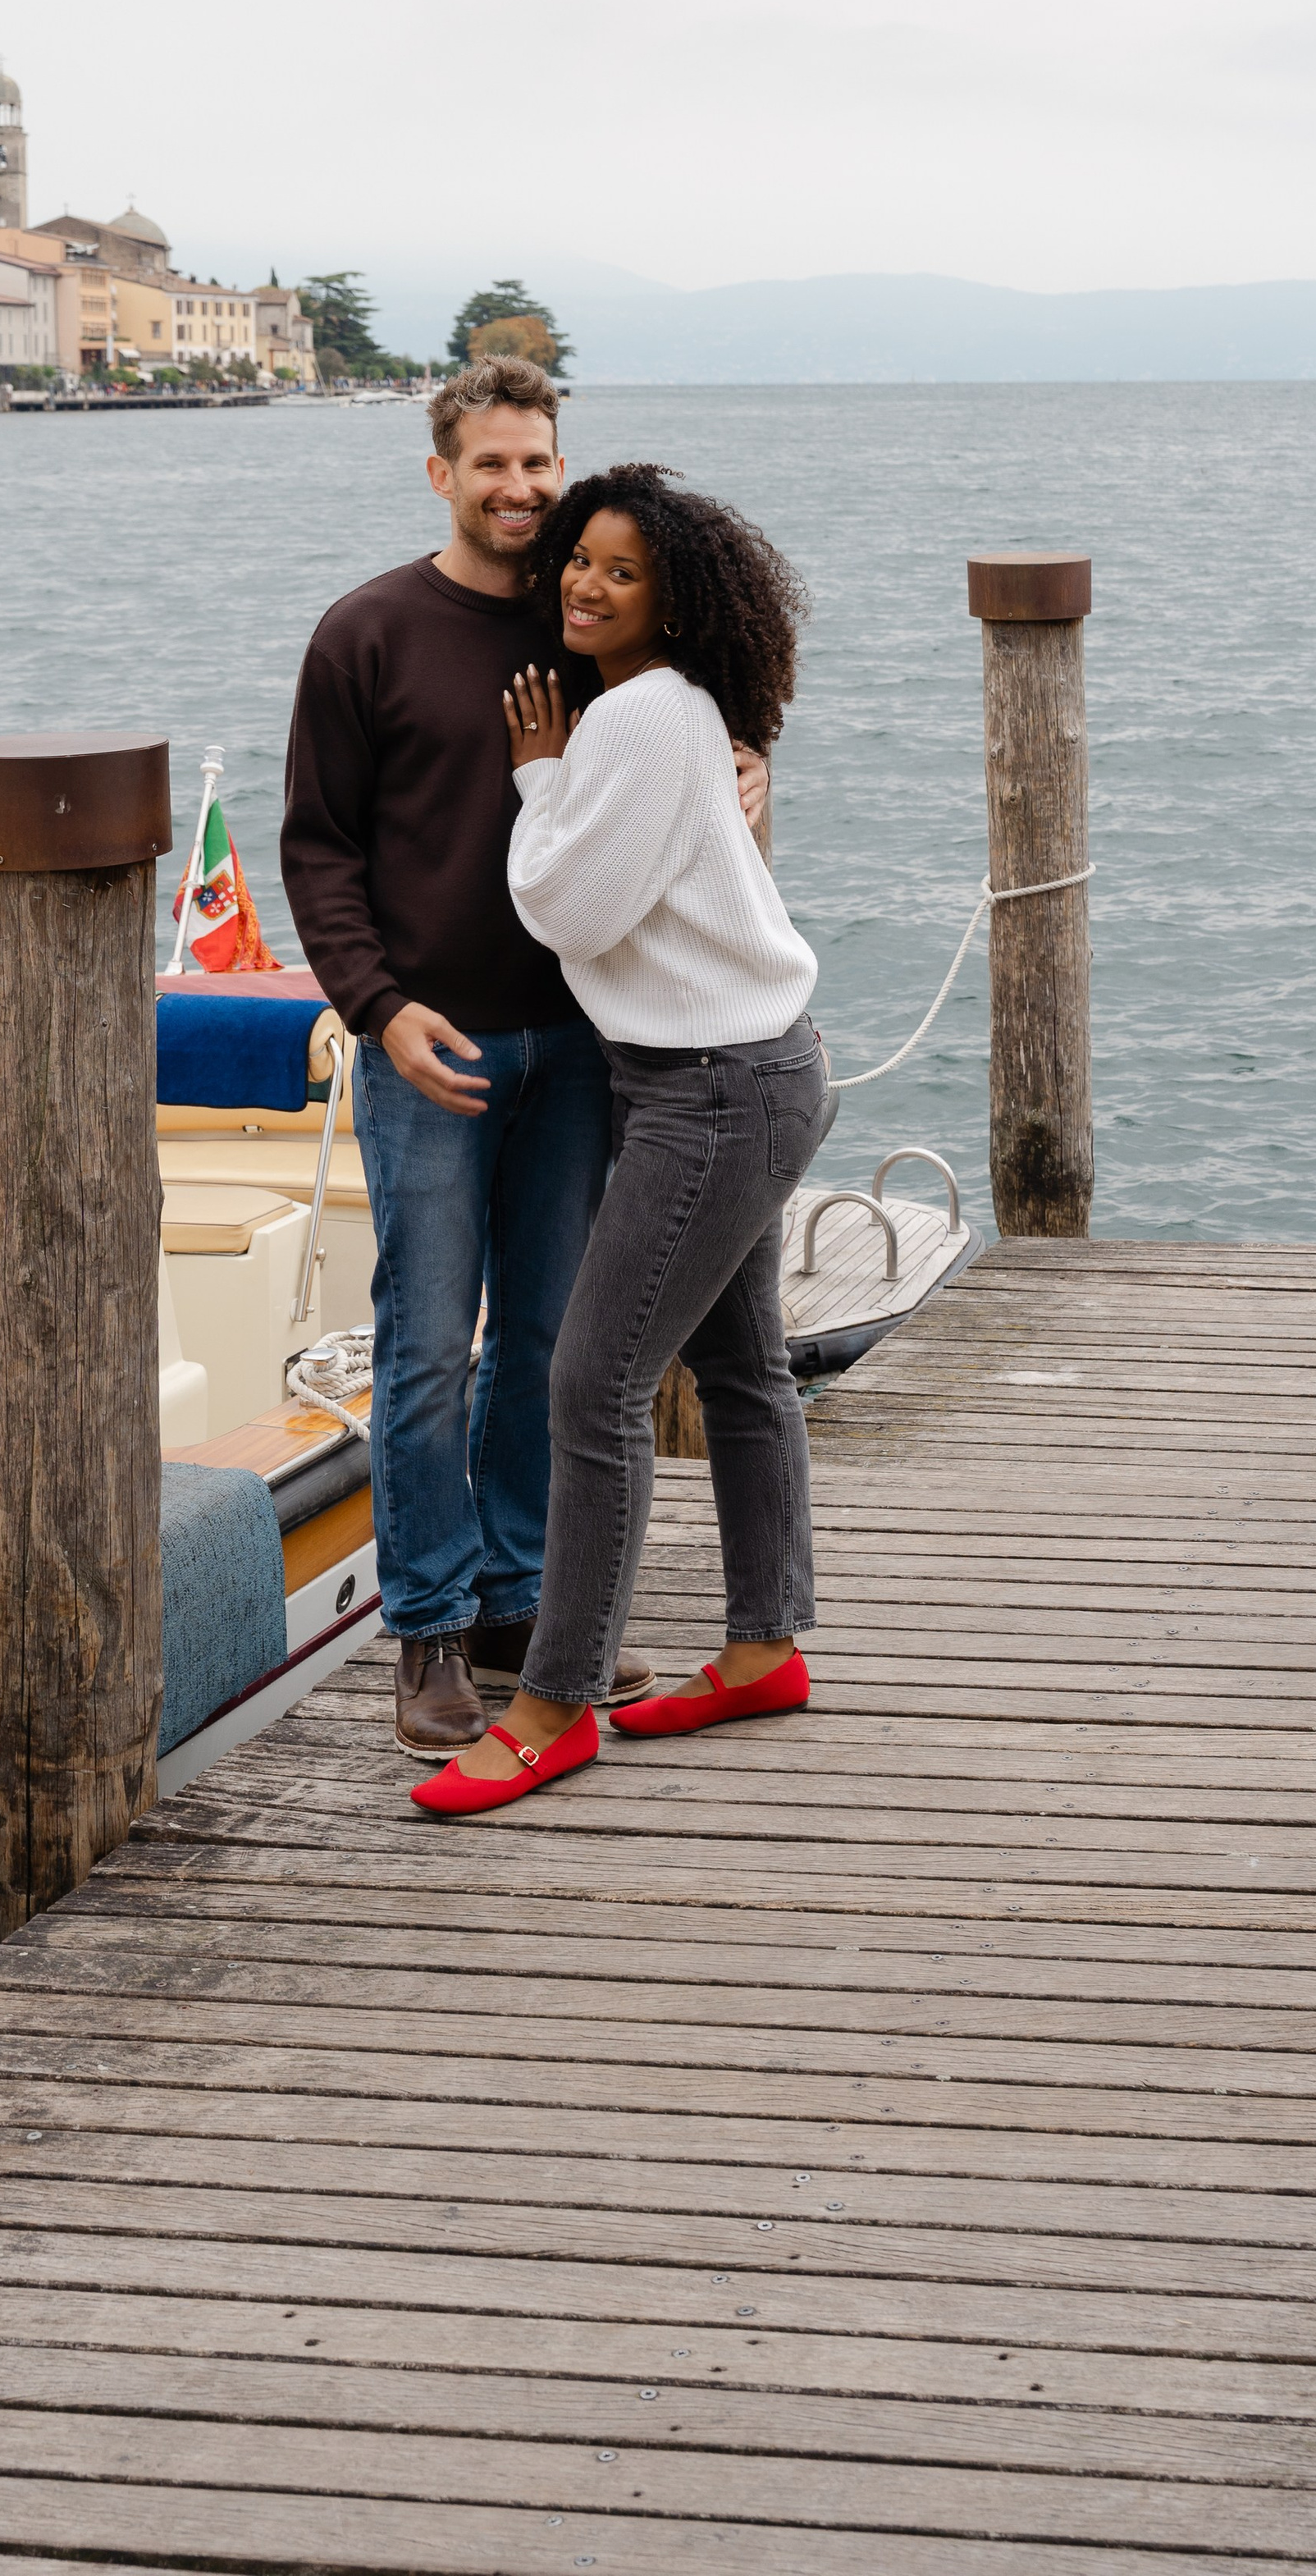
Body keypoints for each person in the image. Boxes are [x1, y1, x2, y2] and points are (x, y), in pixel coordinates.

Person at [281, 360, 768, 1756]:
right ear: (441, 474)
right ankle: (427, 1626)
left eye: (540, 465)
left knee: (550, 1348)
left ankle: (519, 1604)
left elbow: (694, 746)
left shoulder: (603, 629)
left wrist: (752, 770)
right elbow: (318, 846)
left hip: (582, 1048)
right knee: (427, 1347)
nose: (520, 491)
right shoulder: (365, 632)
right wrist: (377, 1008)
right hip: (428, 1047)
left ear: (566, 466)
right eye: (491, 465)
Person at [411, 462, 834, 1817]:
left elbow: (570, 913)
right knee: (746, 1370)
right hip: (737, 1072)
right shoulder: (666, 712)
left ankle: (554, 1701)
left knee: (592, 1388)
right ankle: (763, 1649)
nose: (586, 583)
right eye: (579, 561)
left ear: (675, 600)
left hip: (714, 1088)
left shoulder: (645, 720)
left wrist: (539, 779)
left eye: (622, 571)